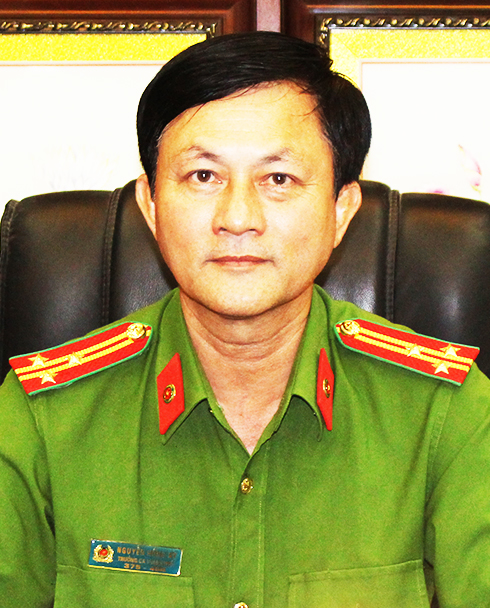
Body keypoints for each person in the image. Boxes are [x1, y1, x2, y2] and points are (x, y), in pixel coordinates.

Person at [1, 31, 489, 608]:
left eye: (278, 179)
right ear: (151, 206)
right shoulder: (43, 418)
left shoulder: (445, 414)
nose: (237, 217)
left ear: (341, 211)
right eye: (202, 176)